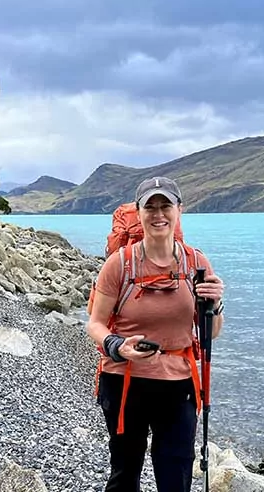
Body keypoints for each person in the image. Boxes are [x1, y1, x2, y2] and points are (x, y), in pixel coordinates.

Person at [86, 176, 225, 492]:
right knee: (125, 473)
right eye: (150, 206)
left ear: (179, 210)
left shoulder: (196, 263)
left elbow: (211, 333)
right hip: (124, 381)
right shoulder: (119, 264)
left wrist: (215, 304)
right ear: (139, 212)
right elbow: (95, 323)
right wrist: (117, 345)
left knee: (176, 475)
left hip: (178, 385)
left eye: (166, 205)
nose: (158, 214)